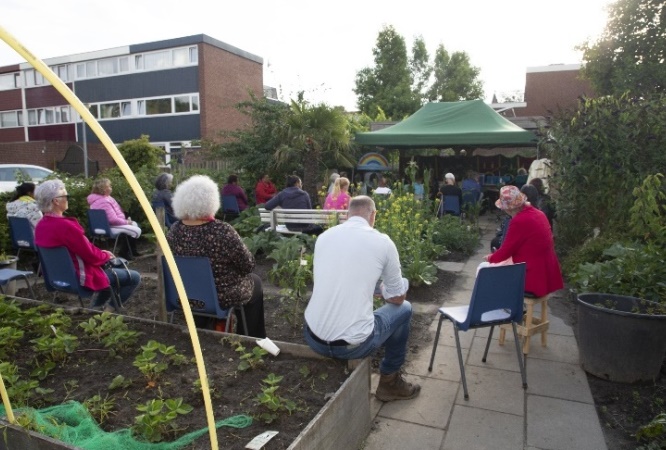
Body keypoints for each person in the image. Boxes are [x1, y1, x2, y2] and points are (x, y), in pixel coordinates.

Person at [304, 195, 420, 402]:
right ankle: (390, 382)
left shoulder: (324, 237)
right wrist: (384, 290)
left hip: (313, 337)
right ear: (373, 215)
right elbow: (398, 297)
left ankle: (388, 380)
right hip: (352, 344)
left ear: (347, 215)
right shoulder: (382, 242)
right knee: (405, 310)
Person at [167, 175, 266, 338]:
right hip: (220, 296)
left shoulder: (174, 231)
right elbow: (248, 265)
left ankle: (204, 325)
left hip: (185, 294)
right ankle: (251, 338)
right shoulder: (222, 230)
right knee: (255, 281)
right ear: (211, 201)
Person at [34, 179, 141, 311]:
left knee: (111, 276)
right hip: (79, 278)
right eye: (66, 196)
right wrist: (105, 256)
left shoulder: (41, 226)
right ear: (56, 201)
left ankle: (96, 309)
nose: (68, 199)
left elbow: (83, 250)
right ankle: (108, 312)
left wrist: (101, 254)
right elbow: (90, 255)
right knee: (134, 277)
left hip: (58, 278)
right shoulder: (66, 226)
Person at [484, 185, 563, 297]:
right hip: (547, 276)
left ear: (509, 208)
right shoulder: (538, 214)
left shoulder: (519, 220)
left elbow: (506, 251)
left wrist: (490, 258)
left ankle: (503, 310)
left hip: (531, 279)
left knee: (486, 274)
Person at [87, 178, 142, 260]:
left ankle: (129, 251)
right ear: (104, 189)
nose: (111, 187)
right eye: (109, 186)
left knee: (135, 225)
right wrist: (126, 222)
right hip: (109, 227)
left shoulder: (103, 198)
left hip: (107, 225)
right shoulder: (104, 201)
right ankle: (125, 253)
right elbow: (113, 219)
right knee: (135, 229)